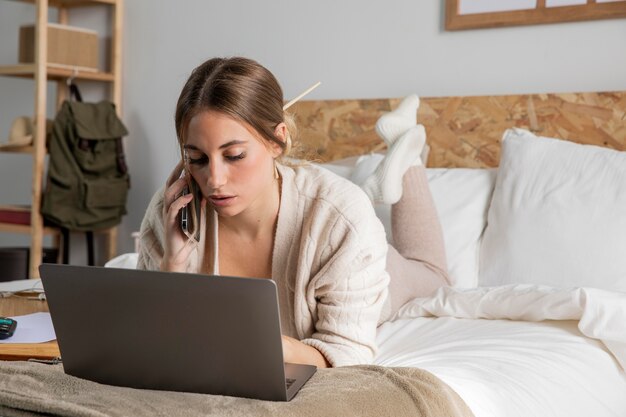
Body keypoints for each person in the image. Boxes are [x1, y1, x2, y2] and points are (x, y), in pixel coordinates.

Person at [137, 57, 449, 369]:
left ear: (278, 140)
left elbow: (348, 353)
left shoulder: (342, 220)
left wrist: (259, 342)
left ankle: (407, 152)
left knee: (433, 274)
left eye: (234, 155)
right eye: (197, 158)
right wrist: (171, 270)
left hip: (355, 253)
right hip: (335, 224)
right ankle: (374, 186)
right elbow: (149, 341)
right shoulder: (170, 213)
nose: (214, 180)